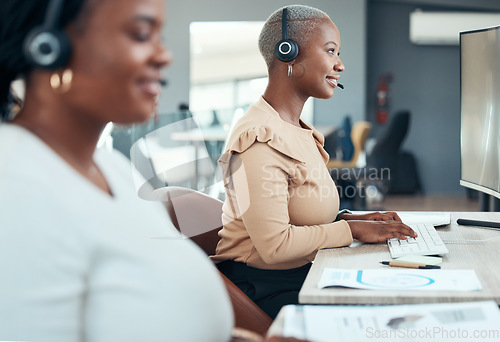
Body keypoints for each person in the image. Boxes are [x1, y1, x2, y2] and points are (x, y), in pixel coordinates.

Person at [0, 1, 308, 341]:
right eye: (141, 34)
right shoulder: (15, 185)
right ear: (48, 46)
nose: (164, 56)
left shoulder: (109, 167)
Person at [211, 5, 417, 319]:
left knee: (403, 291)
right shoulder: (257, 138)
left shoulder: (295, 129)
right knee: (394, 312)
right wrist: (353, 232)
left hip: (299, 272)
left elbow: (295, 212)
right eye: (330, 50)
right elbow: (275, 246)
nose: (340, 64)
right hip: (264, 288)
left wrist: (351, 220)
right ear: (287, 53)